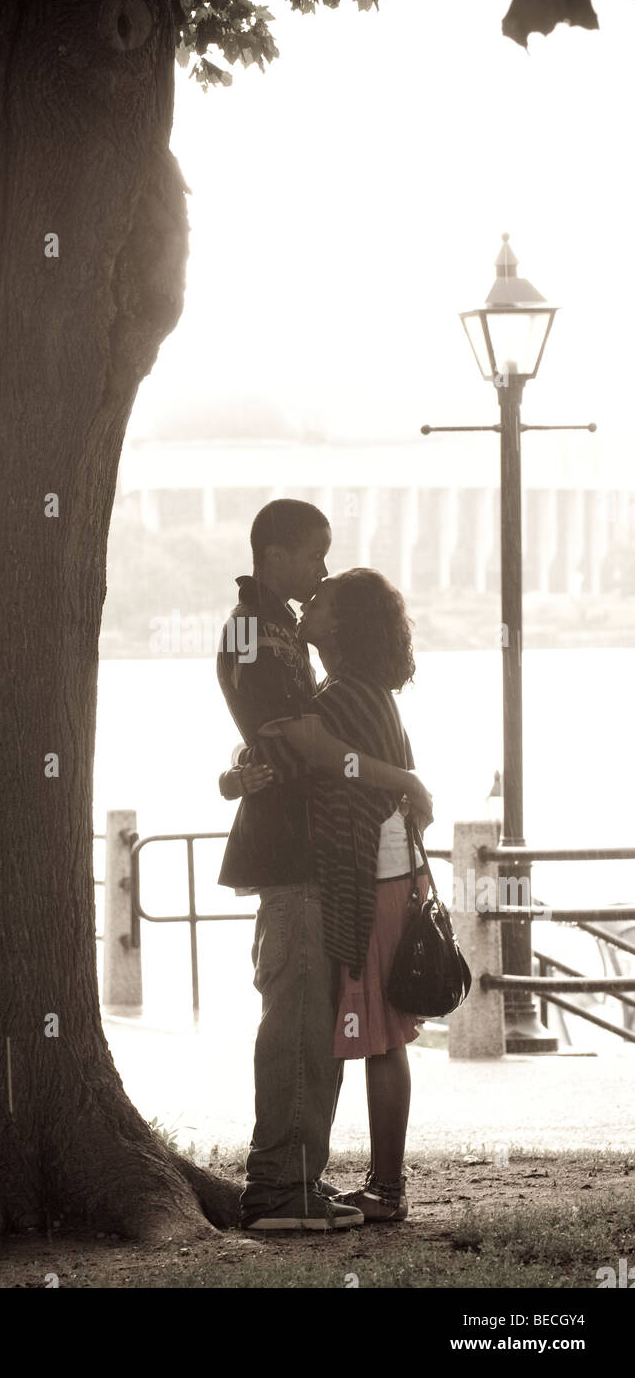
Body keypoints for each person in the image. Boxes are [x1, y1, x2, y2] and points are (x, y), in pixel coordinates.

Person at [216, 500, 433, 1231]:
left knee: (313, 1024)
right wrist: (400, 780)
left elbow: (285, 745)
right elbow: (295, 740)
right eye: (313, 555)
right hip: (289, 859)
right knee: (298, 1024)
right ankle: (280, 1190)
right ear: (273, 553)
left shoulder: (284, 636)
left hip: (306, 857)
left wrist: (246, 764)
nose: (319, 573)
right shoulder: (255, 630)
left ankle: (296, 1183)